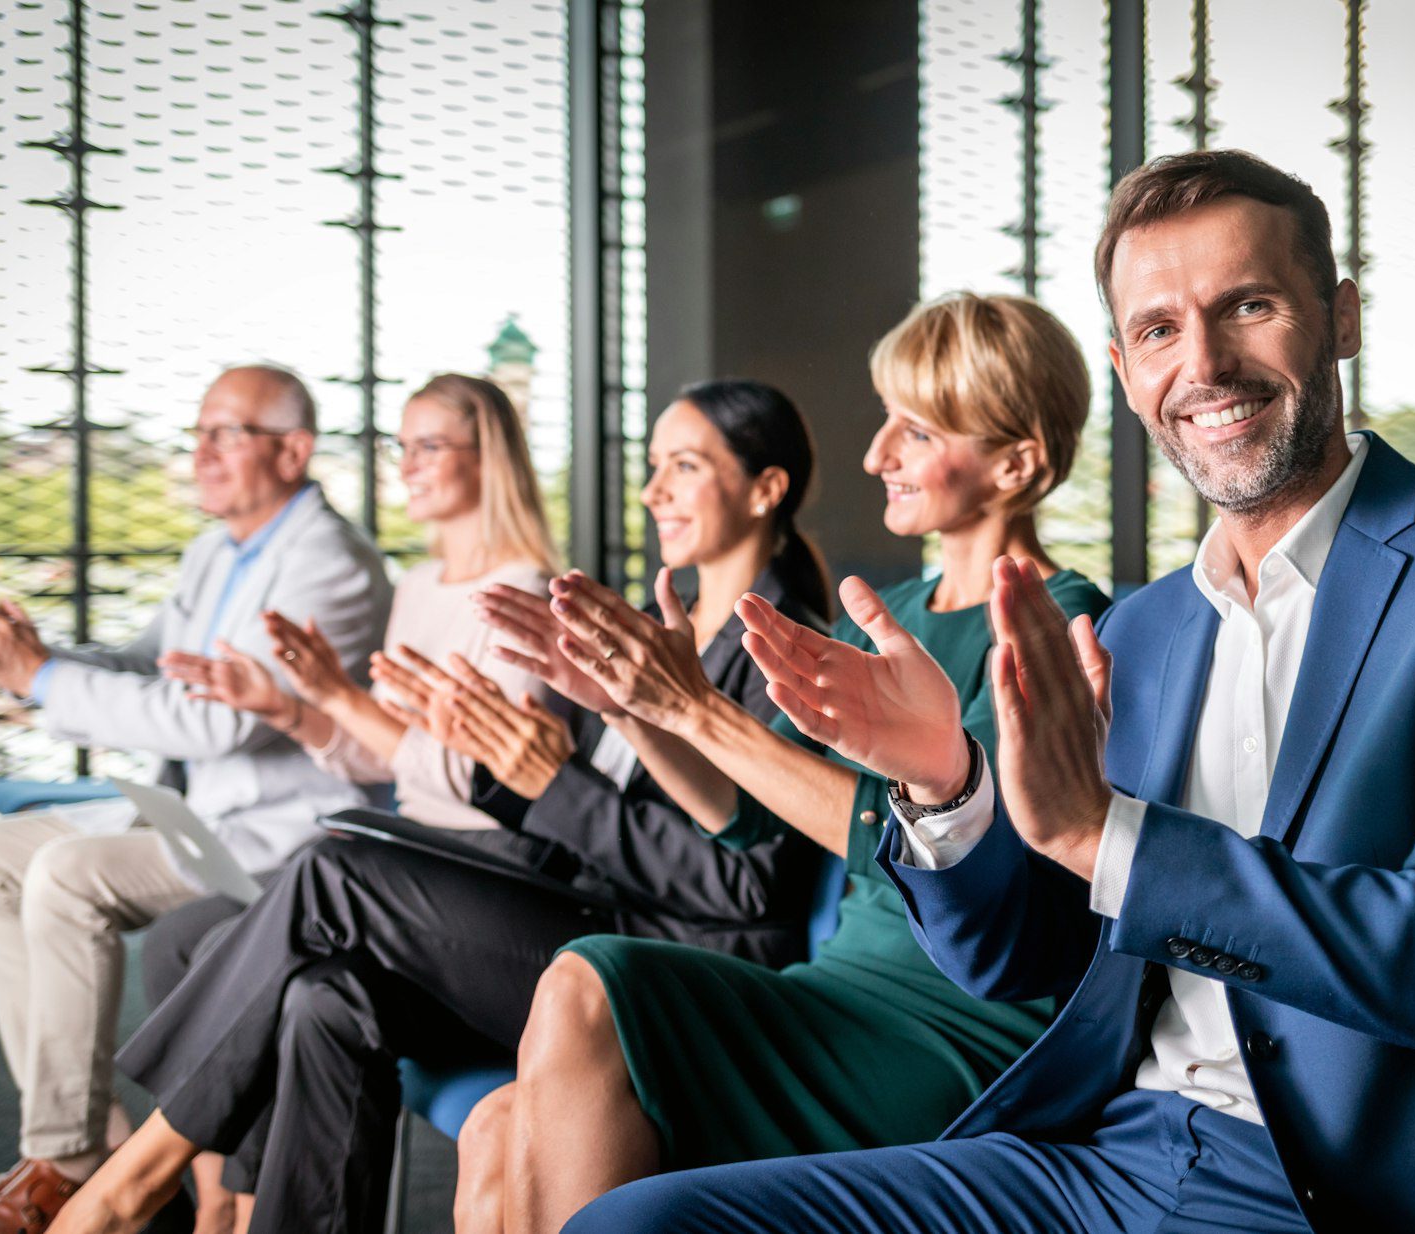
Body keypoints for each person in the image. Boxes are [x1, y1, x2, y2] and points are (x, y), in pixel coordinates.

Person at [563, 150, 1415, 1234]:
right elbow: (1018, 958)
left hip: (1349, 1184)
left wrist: (1103, 837)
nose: (1205, 363)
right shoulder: (1141, 628)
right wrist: (948, 785)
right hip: (1101, 1151)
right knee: (632, 1224)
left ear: (1339, 318)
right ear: (1127, 371)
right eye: (1161, 330)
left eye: (1248, 305)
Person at [44, 379, 834, 1234]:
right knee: (325, 996)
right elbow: (564, 804)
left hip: (666, 960)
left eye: (684, 466)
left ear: (765, 489)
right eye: (652, 467)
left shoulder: (792, 653)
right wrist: (499, 759)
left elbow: (747, 885)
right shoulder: (644, 625)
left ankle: (125, 1192)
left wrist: (547, 780)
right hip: (583, 907)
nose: (653, 493)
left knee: (331, 871)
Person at [459, 292, 1114, 1234]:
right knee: (494, 1126)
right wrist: (640, 713)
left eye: (915, 432)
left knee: (585, 977)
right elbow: (748, 817)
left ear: (1016, 463)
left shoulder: (1058, 625)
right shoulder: (884, 609)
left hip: (960, 1023)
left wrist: (696, 710)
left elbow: (925, 833)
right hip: (837, 990)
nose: (874, 455)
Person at [0, 364, 393, 1234]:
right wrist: (23, 655)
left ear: (293, 450)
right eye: (199, 432)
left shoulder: (330, 565)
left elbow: (214, 724)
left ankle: (61, 1168)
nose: (201, 452)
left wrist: (44, 677)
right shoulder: (218, 549)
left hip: (283, 844)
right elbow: (149, 664)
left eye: (226, 433)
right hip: (201, 818)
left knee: (67, 875)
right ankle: (86, 1150)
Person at [139, 371, 558, 1233]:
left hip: (492, 868)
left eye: (429, 445)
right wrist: (297, 705)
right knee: (187, 933)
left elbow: (491, 779)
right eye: (399, 446)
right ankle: (225, 1193)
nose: (406, 465)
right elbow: (387, 759)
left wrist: (341, 696)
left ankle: (165, 1179)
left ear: (493, 461)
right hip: (415, 849)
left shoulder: (527, 594)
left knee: (307, 922)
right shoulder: (417, 587)